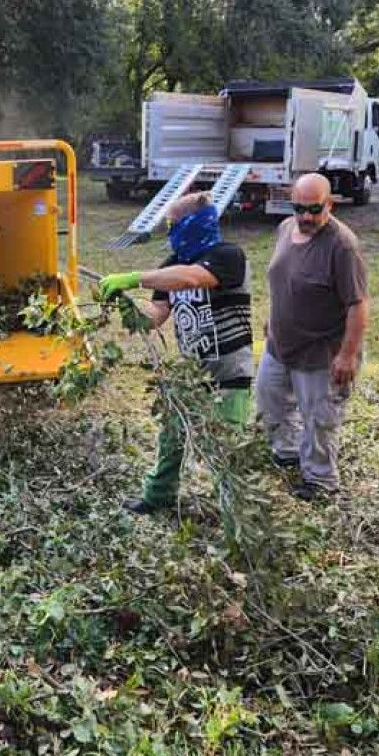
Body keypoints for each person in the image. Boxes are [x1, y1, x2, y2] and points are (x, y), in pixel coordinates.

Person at [97, 191, 254, 514]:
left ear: (193, 224)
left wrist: (134, 278)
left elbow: (193, 278)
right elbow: (156, 315)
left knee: (226, 445)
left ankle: (236, 512)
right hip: (191, 373)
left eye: (173, 224)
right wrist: (127, 307)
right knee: (171, 438)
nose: (170, 231)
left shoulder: (228, 256)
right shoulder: (171, 265)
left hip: (228, 371)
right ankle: (158, 496)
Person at [256, 172, 369, 502]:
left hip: (321, 351)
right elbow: (282, 277)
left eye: (314, 209)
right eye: (299, 208)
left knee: (320, 419)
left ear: (330, 204)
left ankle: (320, 480)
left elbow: (358, 305)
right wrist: (273, 318)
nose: (305, 217)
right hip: (280, 344)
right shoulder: (286, 229)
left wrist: (347, 354)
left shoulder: (342, 246)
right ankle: (289, 453)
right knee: (270, 401)